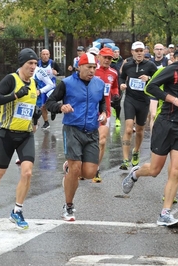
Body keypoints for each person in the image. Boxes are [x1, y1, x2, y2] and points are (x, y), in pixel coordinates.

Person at [122, 39, 178, 227]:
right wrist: (174, 100)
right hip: (165, 123)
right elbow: (150, 87)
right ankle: (136, 173)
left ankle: (165, 213)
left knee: (177, 170)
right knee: (154, 170)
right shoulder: (172, 69)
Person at [0, 48, 40, 229]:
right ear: (22, 63)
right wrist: (15, 95)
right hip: (6, 133)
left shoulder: (34, 83)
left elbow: (32, 106)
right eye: (30, 63)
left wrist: (35, 118)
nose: (33, 67)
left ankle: (17, 211)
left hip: (26, 135)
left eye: (35, 64)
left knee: (27, 172)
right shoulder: (11, 79)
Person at [46, 53, 107, 221]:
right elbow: (49, 103)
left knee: (89, 173)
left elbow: (101, 101)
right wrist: (60, 107)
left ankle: (69, 165)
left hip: (92, 131)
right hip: (73, 129)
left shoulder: (99, 84)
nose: (92, 71)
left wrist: (103, 113)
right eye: (89, 67)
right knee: (75, 169)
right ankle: (69, 206)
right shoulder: (66, 84)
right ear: (79, 67)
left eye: (95, 67)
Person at [118, 41, 157, 170]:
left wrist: (149, 79)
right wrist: (122, 84)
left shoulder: (150, 65)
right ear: (132, 52)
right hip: (130, 99)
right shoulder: (128, 65)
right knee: (129, 129)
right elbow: (122, 77)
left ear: (144, 52)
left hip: (143, 100)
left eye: (141, 50)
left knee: (140, 130)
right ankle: (124, 159)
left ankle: (136, 151)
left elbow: (158, 79)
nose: (139, 53)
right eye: (137, 51)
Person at [93, 47, 119, 183]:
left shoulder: (113, 73)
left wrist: (116, 95)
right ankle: (83, 166)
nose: (108, 60)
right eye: (105, 57)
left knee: (102, 141)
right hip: (90, 111)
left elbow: (114, 86)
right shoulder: (92, 70)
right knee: (88, 140)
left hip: (105, 111)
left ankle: (95, 169)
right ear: (99, 56)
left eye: (110, 58)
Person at [36, 49, 61, 130]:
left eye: (47, 54)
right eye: (44, 54)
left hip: (51, 87)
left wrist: (56, 73)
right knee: (42, 106)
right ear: (41, 55)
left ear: (49, 55)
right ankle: (46, 122)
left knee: (50, 102)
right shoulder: (37, 64)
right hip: (42, 87)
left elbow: (60, 71)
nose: (45, 56)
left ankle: (53, 110)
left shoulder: (52, 63)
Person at [110, 46, 124, 127]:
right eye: (114, 52)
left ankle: (118, 119)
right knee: (108, 102)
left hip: (119, 84)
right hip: (110, 84)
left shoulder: (122, 61)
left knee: (117, 102)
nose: (116, 54)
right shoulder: (109, 61)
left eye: (117, 52)